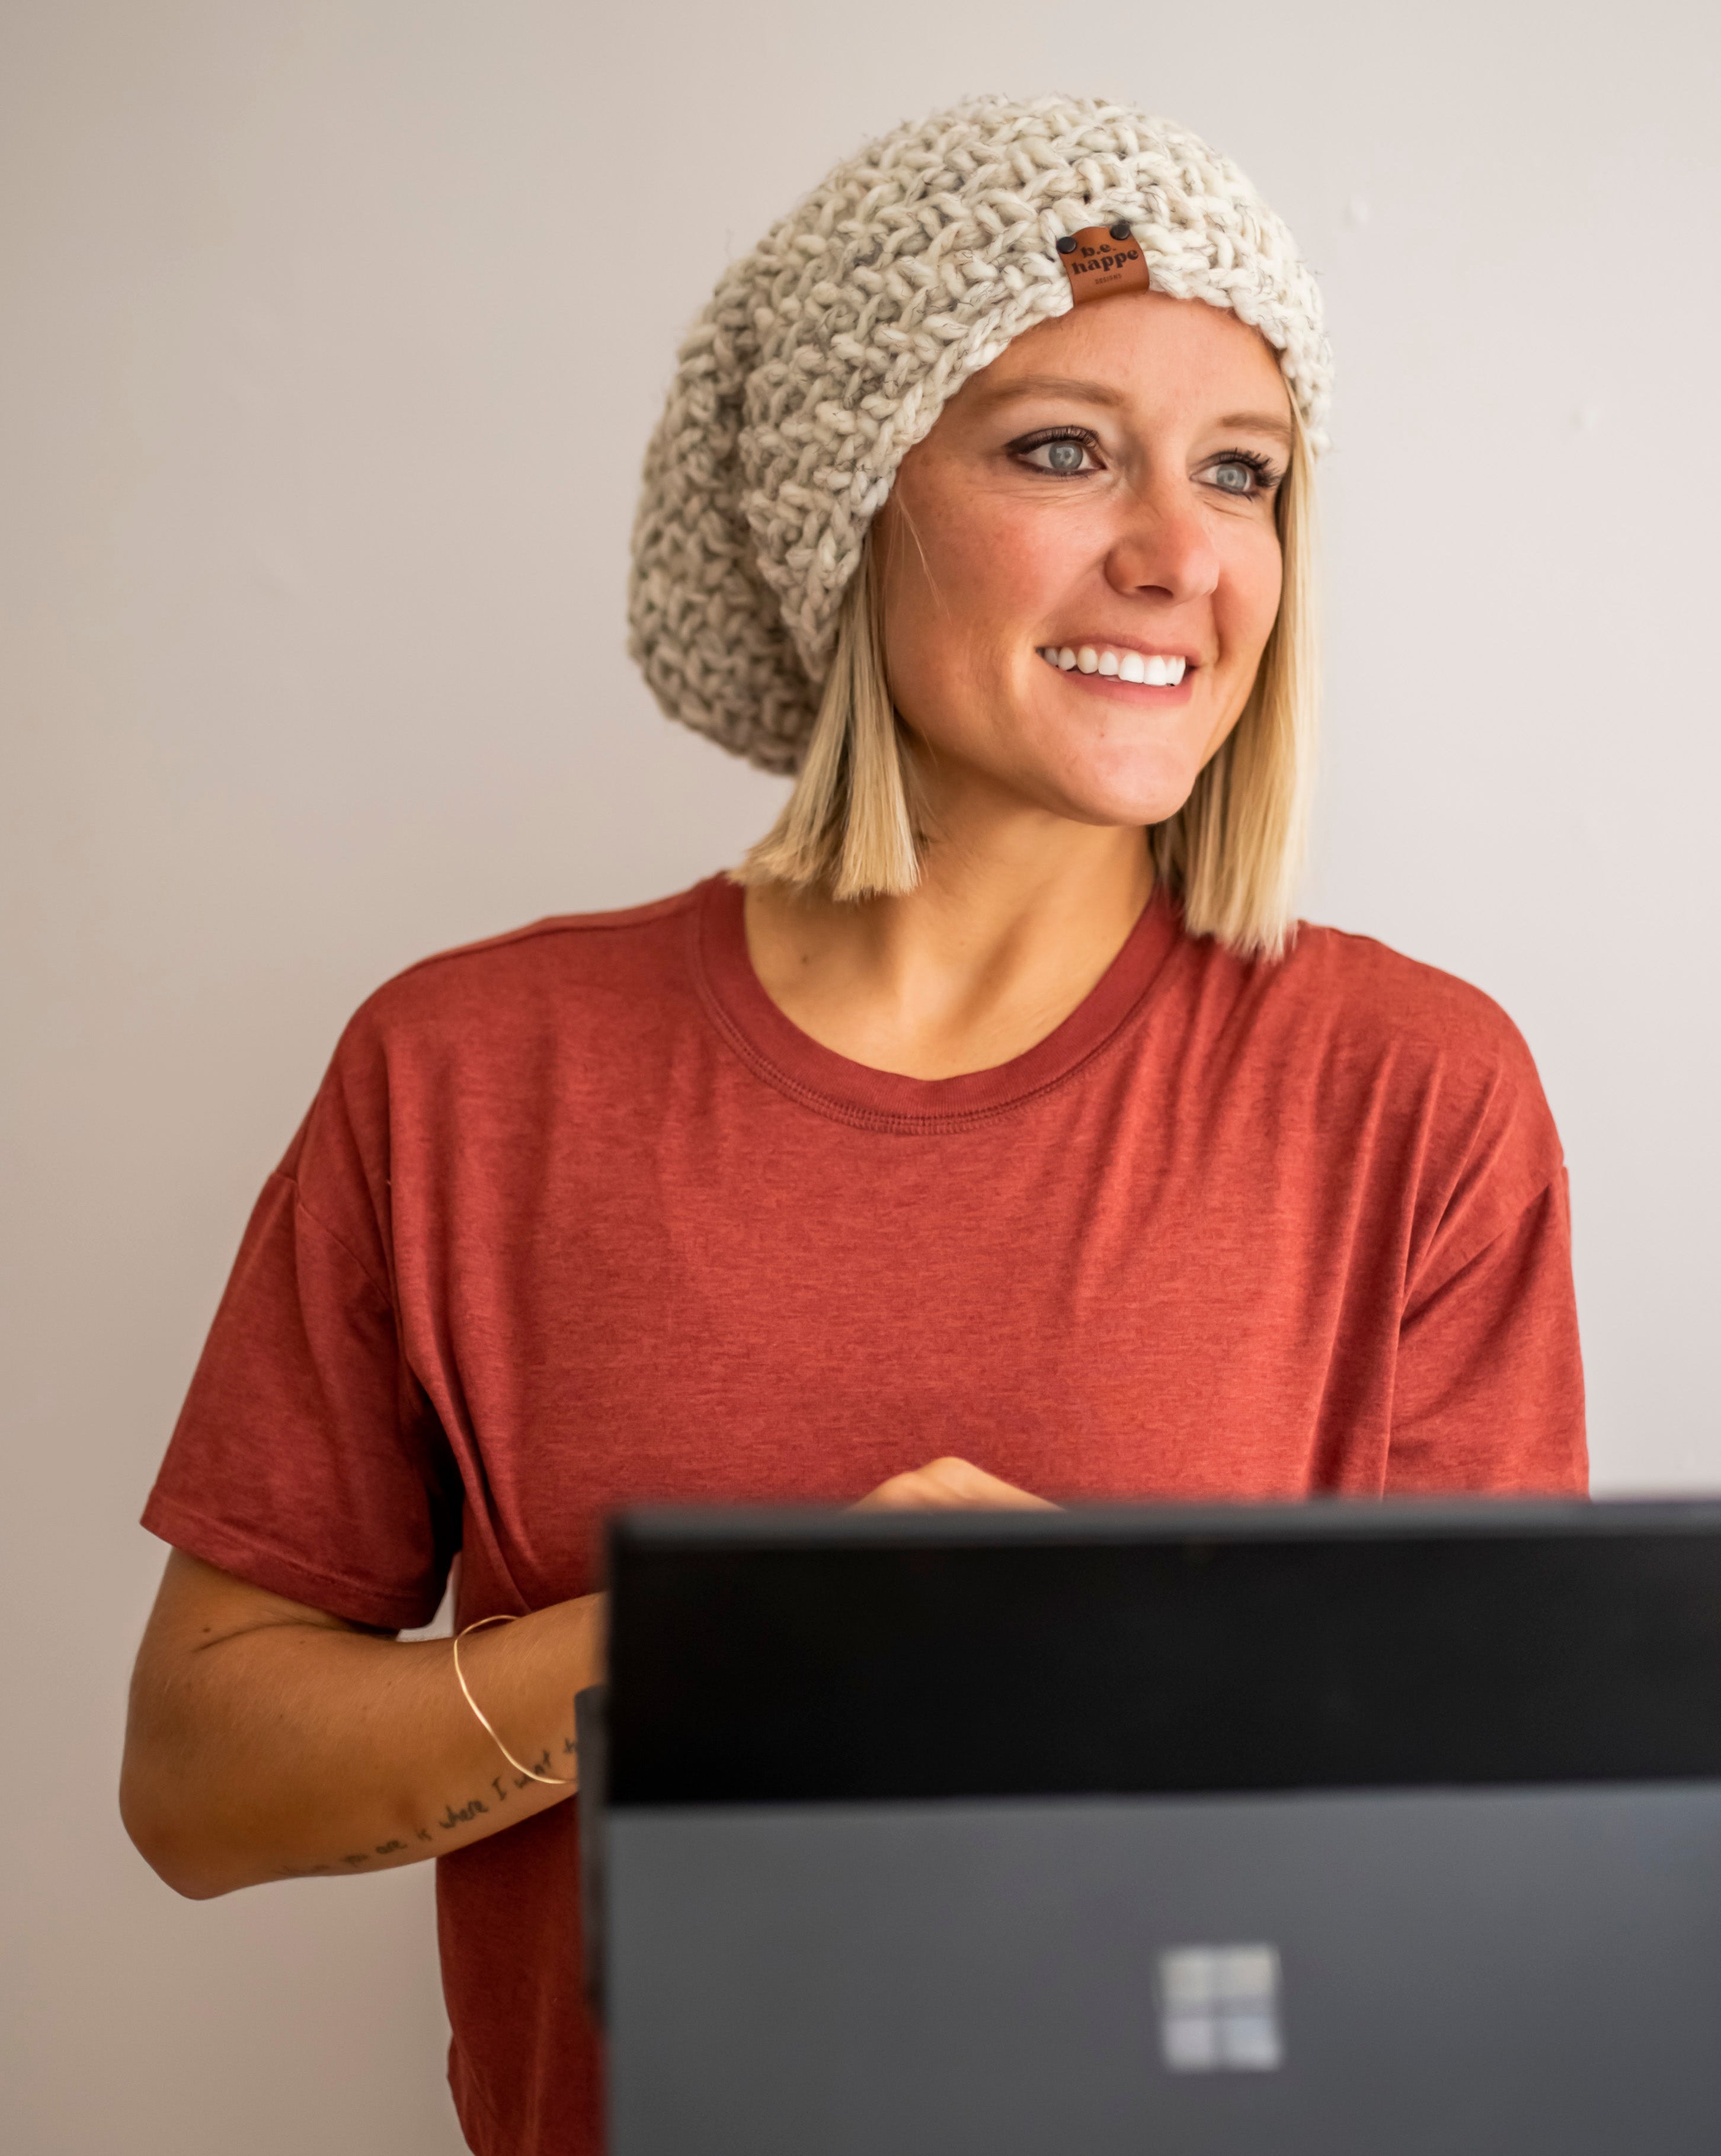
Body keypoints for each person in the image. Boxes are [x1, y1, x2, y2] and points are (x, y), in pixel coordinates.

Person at [120, 94, 1586, 2156]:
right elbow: (192, 1786)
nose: (1180, 555)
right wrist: (713, 1647)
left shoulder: (1411, 1098)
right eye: (1062, 446)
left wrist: (1113, 1667)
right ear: (847, 506)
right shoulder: (467, 1076)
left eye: (1242, 473)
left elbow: (1521, 1868)